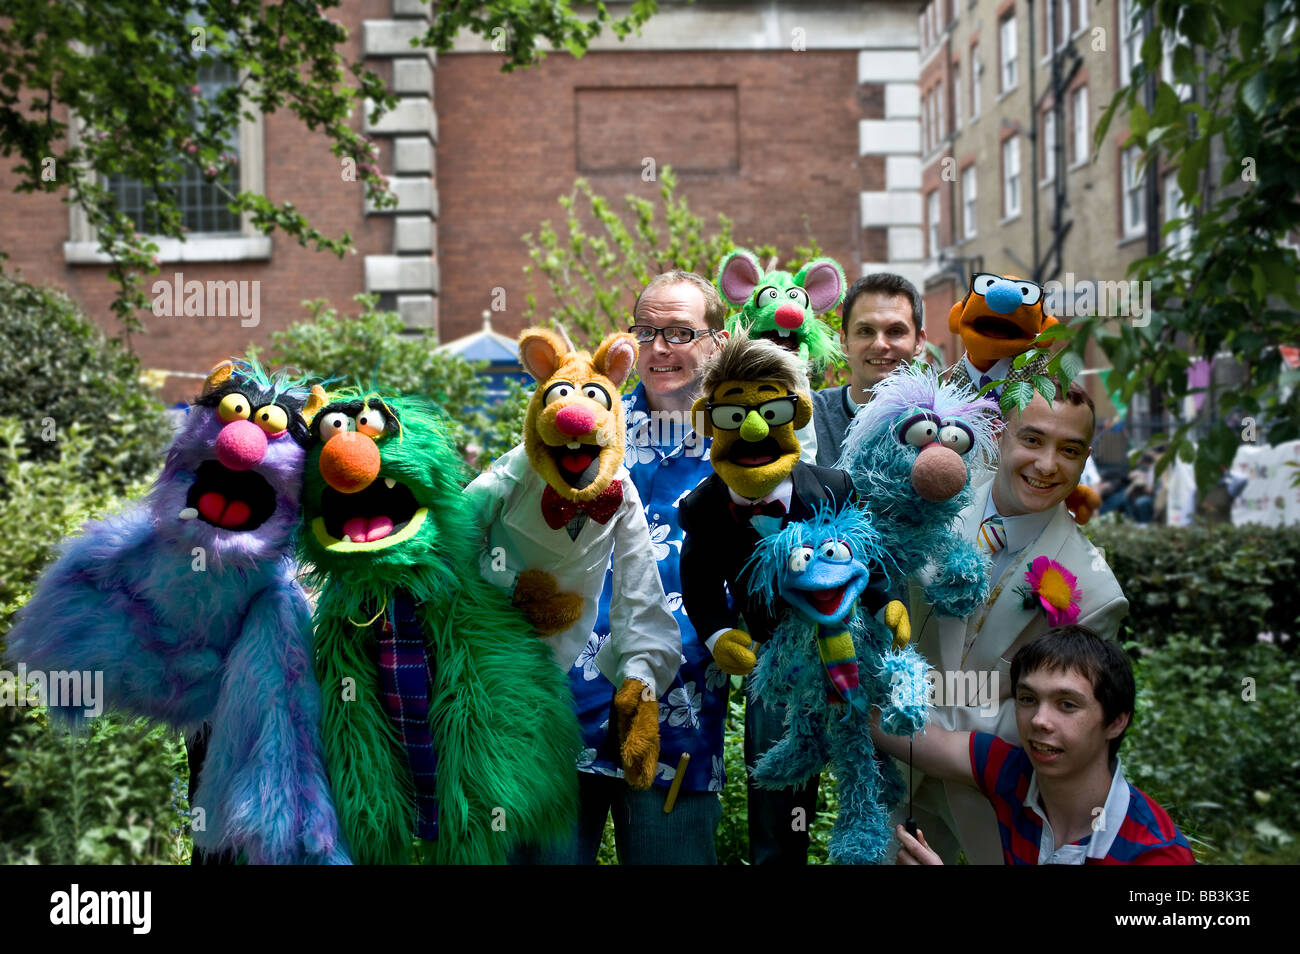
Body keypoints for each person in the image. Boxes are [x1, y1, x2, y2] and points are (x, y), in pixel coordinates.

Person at [905, 383, 1130, 864]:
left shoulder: (1095, 594)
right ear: (999, 433)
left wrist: (912, 724)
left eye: (1069, 450)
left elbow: (1054, 720)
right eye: (1032, 439)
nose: (1048, 464)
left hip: (993, 807)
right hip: (890, 789)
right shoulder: (928, 506)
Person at [554, 270, 730, 863]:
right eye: (647, 331)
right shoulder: (585, 428)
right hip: (560, 712)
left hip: (677, 717)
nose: (660, 348)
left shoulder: (745, 446)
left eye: (680, 332)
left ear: (718, 343)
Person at [872, 626, 1195, 865]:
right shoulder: (1013, 772)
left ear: (1116, 722)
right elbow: (916, 737)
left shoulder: (1156, 854)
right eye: (1027, 699)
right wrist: (838, 680)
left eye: (1067, 704)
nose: (1039, 720)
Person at [811, 272, 926, 467]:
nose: (880, 345)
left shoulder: (940, 423)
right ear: (844, 341)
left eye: (895, 331)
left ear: (918, 342)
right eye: (865, 331)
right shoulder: (808, 417)